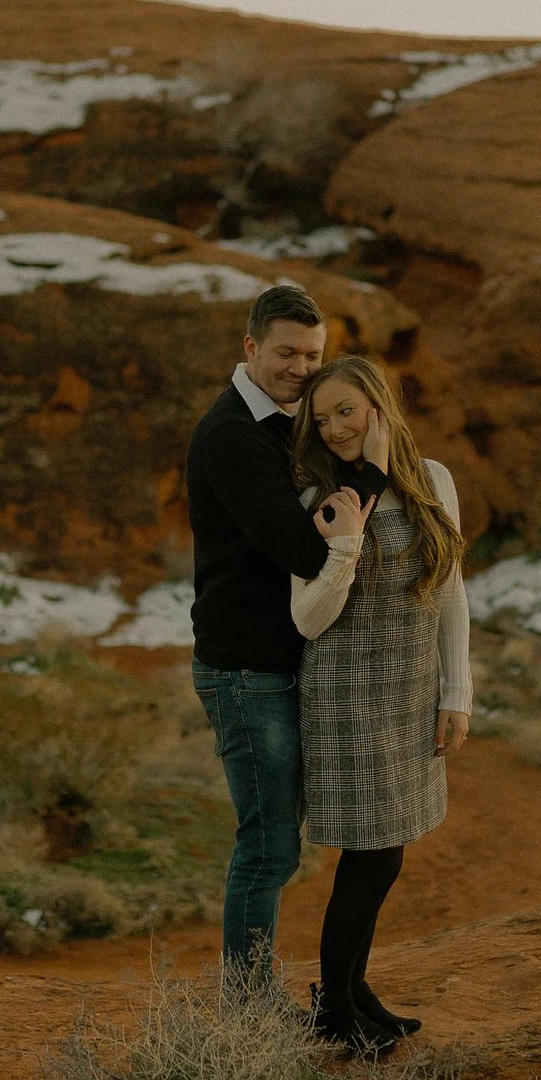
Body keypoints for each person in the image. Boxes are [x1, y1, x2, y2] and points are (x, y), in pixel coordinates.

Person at [285, 354, 470, 1053]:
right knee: (374, 856)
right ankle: (336, 1010)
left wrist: (456, 691)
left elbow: (452, 589)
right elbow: (307, 617)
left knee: (384, 853)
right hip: (348, 694)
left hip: (409, 689)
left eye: (346, 411)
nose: (333, 428)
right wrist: (347, 541)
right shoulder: (316, 495)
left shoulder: (433, 481)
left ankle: (353, 991)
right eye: (321, 416)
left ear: (379, 409)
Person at [184, 283, 330, 993]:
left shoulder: (282, 422)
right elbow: (301, 549)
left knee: (276, 845)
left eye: (312, 354)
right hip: (244, 670)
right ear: (251, 348)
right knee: (268, 847)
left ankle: (256, 1002)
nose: (301, 367)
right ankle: (248, 1014)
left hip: (273, 664)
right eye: (286, 352)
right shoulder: (234, 435)